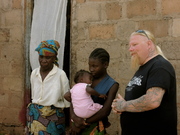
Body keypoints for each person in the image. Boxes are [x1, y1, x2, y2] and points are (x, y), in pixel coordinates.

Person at [112, 30, 177, 135]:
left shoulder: (160, 66)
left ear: (149, 44)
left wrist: (124, 105)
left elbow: (152, 101)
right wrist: (121, 105)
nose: (130, 49)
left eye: (134, 44)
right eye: (129, 46)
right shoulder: (144, 68)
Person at [69, 48, 119, 135]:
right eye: (90, 65)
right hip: (76, 125)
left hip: (94, 127)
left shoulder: (112, 85)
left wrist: (83, 122)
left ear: (105, 64)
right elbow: (73, 97)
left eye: (95, 66)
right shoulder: (86, 79)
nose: (91, 69)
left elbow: (105, 111)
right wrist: (74, 118)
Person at [26, 40, 70, 135]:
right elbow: (34, 95)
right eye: (41, 57)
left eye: (48, 57)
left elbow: (67, 101)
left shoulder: (61, 75)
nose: (43, 60)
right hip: (35, 116)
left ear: (54, 58)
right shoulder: (34, 73)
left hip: (54, 117)